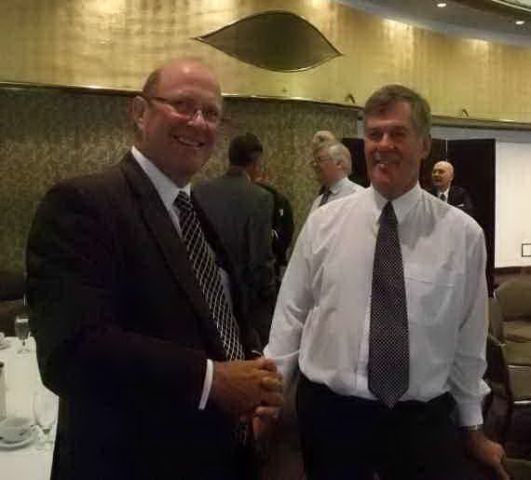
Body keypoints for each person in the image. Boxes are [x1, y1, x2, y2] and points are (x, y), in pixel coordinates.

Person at [26, 58, 283, 480]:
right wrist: (211, 381)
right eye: (183, 105)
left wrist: (253, 372)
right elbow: (71, 351)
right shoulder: (83, 204)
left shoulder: (194, 211)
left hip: (216, 456)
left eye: (211, 113)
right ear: (140, 112)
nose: (198, 122)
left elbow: (218, 315)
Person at [266, 84, 508, 479]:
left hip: (421, 422)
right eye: (374, 134)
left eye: (397, 133)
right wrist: (270, 397)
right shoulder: (324, 223)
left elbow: (468, 342)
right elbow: (290, 315)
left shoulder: (463, 236)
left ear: (425, 144)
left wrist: (472, 426)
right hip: (331, 418)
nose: (383, 145)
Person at [194, 133, 276, 346]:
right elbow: (259, 258)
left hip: (203, 299)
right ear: (256, 162)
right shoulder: (260, 198)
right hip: (245, 306)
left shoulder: (200, 191)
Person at [309, 140, 364, 212]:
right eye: (314, 161)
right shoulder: (318, 201)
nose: (314, 165)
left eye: (319, 160)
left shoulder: (359, 196)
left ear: (338, 163)